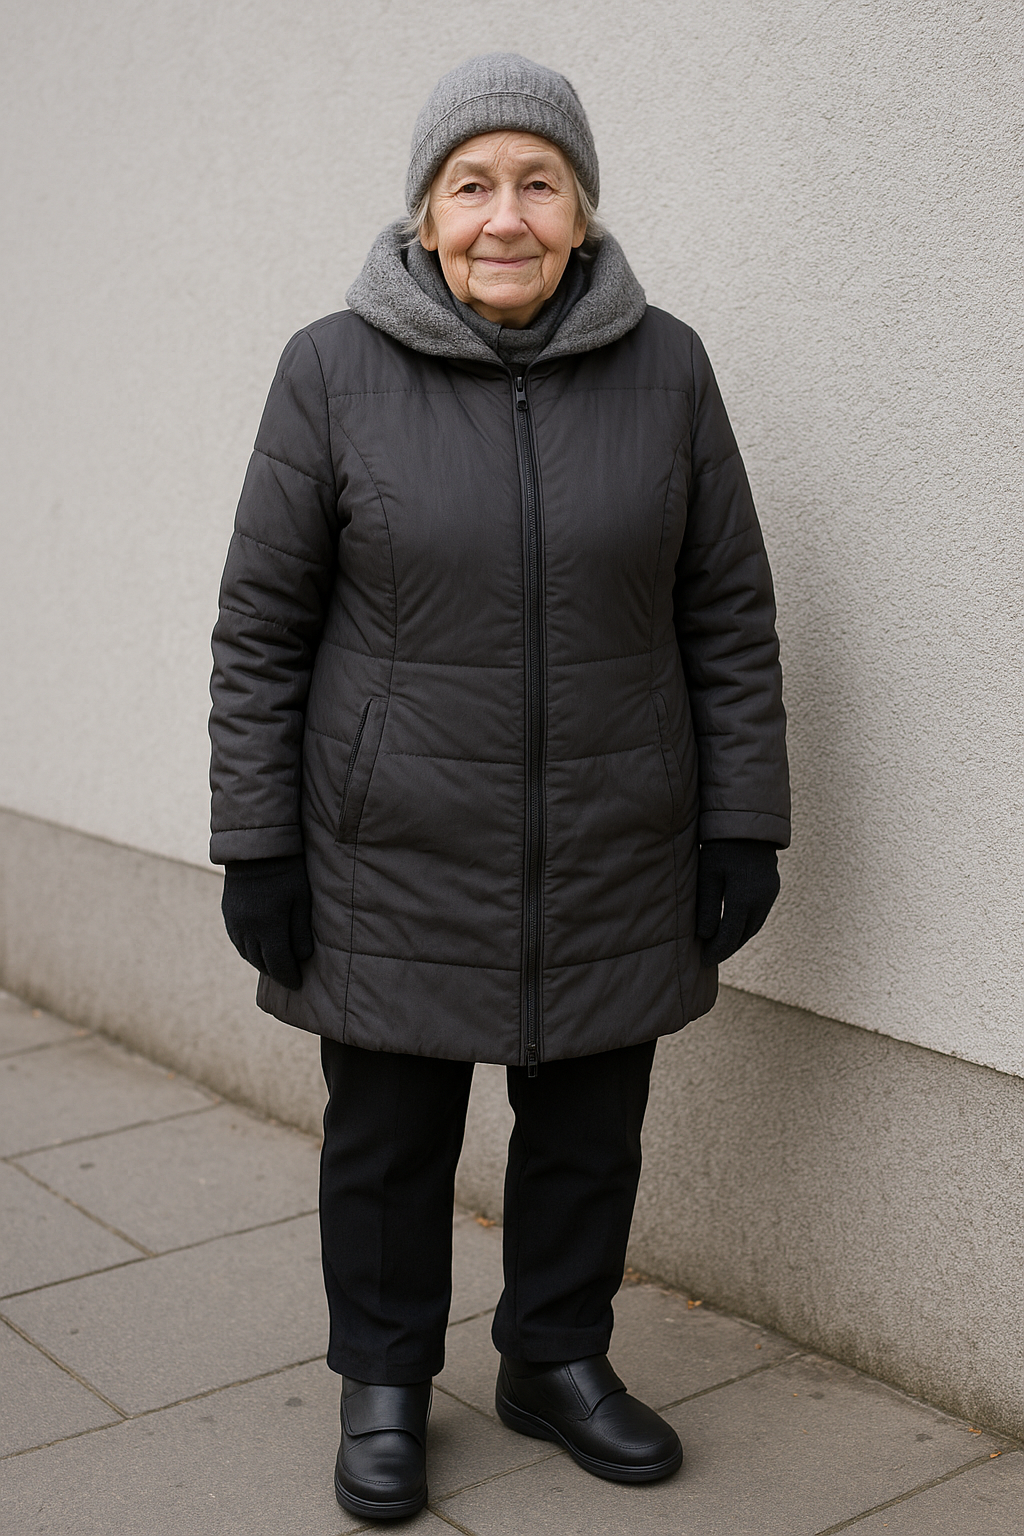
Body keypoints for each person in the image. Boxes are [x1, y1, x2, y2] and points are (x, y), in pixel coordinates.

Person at [209, 52, 789, 1523]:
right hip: (390, 850)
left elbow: (727, 613)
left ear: (583, 213)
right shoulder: (330, 370)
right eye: (472, 184)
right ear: (425, 213)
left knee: (589, 1129)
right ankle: (384, 1383)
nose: (506, 215)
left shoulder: (669, 369)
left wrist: (743, 820)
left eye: (541, 182)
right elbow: (261, 628)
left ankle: (554, 1356)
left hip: (614, 840)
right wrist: (256, 844)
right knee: (389, 1139)